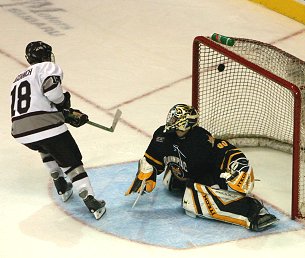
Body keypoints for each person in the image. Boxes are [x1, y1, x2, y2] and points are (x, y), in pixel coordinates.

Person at [125, 104, 278, 231]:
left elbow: (225, 150)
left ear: (185, 123)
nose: (170, 121)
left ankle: (253, 211)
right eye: (171, 117)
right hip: (181, 175)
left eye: (175, 118)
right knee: (170, 184)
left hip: (205, 177)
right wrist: (147, 173)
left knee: (192, 202)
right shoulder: (162, 135)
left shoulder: (201, 139)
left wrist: (239, 166)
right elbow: (153, 158)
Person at [10, 41, 106, 220]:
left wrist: (63, 113)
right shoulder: (46, 67)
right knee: (72, 162)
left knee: (45, 146)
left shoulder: (18, 78)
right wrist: (63, 105)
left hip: (21, 132)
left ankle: (60, 183)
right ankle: (91, 200)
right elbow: (52, 92)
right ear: (46, 56)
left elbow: (34, 105)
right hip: (45, 126)